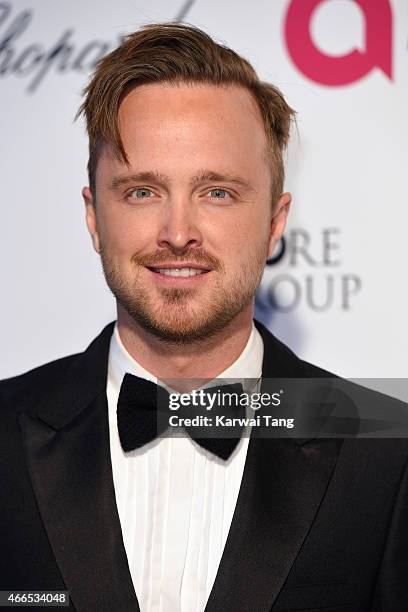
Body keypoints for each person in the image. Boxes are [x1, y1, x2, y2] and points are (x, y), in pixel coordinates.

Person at [1, 22, 407, 612]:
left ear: (274, 221)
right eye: (142, 191)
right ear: (94, 216)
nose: (178, 234)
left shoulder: (387, 453)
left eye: (217, 191)